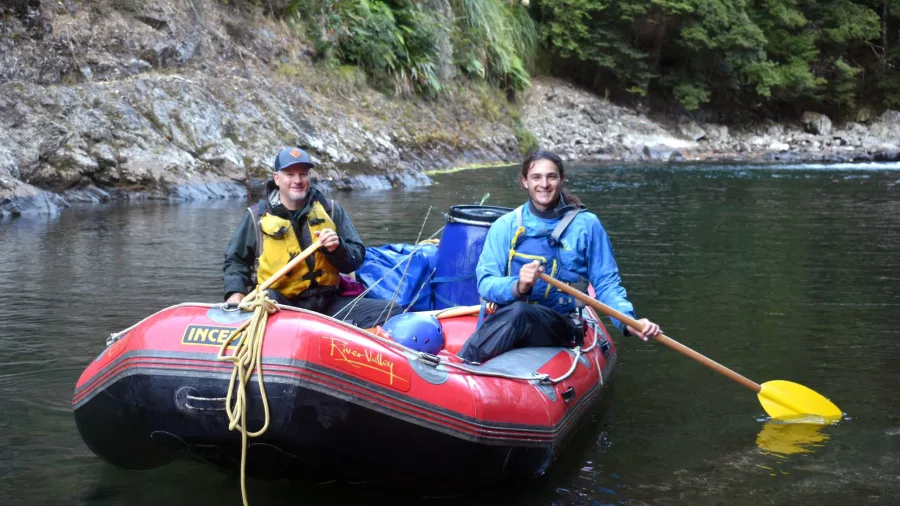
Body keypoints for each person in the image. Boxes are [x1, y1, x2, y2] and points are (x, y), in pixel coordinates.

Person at [457, 150, 662, 363]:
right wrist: (519, 286)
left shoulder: (588, 225)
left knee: (520, 313)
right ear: (525, 181)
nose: (544, 184)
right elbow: (486, 283)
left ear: (561, 179)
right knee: (517, 312)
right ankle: (466, 371)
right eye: (536, 177)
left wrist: (628, 321)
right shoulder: (505, 226)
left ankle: (465, 364)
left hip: (562, 324)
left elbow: (607, 284)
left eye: (551, 176)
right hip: (509, 317)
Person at [223, 146, 401, 329]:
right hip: (281, 303)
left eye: (303, 174)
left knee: (390, 310)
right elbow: (236, 260)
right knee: (267, 298)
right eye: (290, 174)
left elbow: (356, 259)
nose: (297, 180)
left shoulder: (331, 211)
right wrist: (235, 293)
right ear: (277, 178)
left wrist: (337, 249)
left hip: (328, 304)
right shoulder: (256, 217)